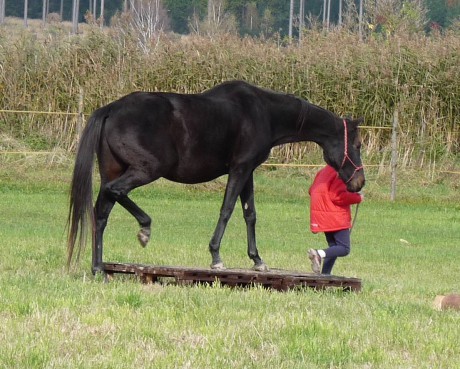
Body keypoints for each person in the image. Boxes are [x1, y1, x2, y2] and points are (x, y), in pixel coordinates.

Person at [307, 165, 363, 275]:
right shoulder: (340, 173)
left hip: (324, 216)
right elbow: (338, 196)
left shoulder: (324, 170)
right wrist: (357, 197)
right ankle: (318, 254)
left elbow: (311, 190)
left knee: (333, 249)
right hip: (336, 218)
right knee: (344, 248)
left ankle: (325, 276)